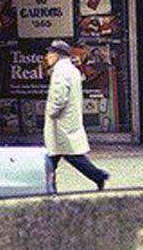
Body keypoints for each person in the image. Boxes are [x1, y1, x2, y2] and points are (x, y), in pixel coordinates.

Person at [44, 40, 109, 191]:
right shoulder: (71, 70)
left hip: (60, 124)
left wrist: (51, 112)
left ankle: (49, 190)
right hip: (67, 122)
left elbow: (59, 97)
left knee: (57, 157)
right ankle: (97, 176)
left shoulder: (60, 72)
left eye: (49, 53)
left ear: (57, 55)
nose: (47, 57)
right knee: (62, 156)